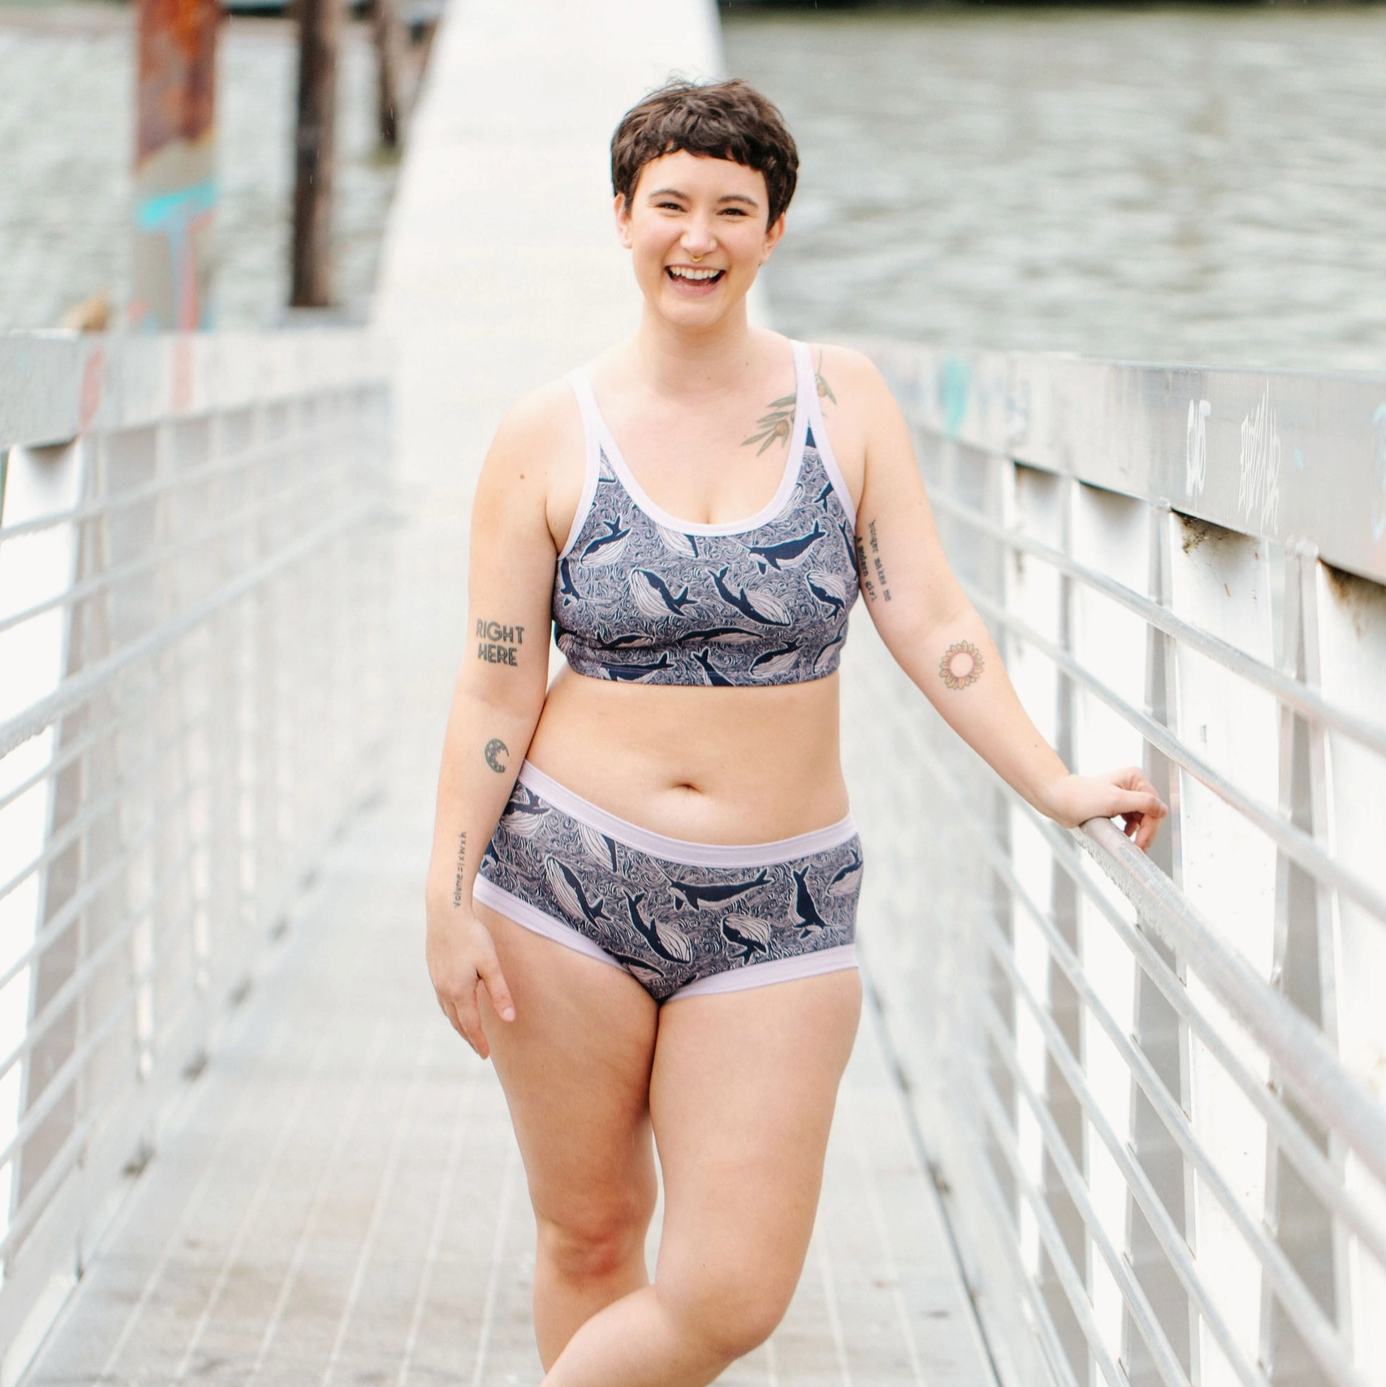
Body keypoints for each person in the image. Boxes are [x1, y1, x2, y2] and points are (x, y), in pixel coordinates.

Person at [425, 78, 1166, 1387]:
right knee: (589, 1234)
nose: (695, 236)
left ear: (771, 230)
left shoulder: (842, 401)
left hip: (781, 901)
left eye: (730, 208)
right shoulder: (546, 434)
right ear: (621, 218)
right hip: (561, 880)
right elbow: (494, 684)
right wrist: (445, 898)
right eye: (668, 205)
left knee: (728, 1292)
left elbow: (927, 613)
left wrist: (1050, 780)